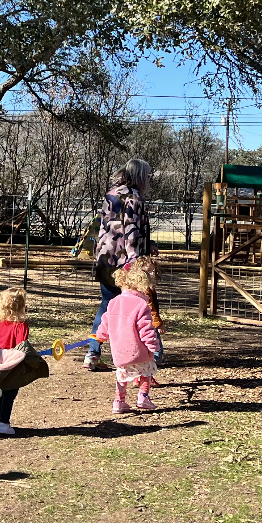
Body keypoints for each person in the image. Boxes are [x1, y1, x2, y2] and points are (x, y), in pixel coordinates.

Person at [85, 158, 157, 370]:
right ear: (140, 176)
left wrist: (149, 242)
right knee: (140, 305)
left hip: (106, 259)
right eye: (148, 175)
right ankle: (144, 353)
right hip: (127, 262)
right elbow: (132, 230)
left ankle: (92, 353)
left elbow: (107, 226)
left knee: (107, 305)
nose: (149, 179)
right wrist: (136, 262)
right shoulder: (134, 197)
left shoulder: (112, 193)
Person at [96, 263, 163, 412]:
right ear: (142, 286)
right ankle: (143, 397)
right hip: (139, 352)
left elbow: (105, 322)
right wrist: (154, 346)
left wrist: (100, 336)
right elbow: (146, 329)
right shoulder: (141, 304)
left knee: (122, 376)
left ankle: (119, 402)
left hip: (119, 352)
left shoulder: (113, 302)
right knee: (146, 372)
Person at [0, 286, 31, 435]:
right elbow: (22, 346)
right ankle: (4, 424)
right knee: (10, 393)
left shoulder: (0, 325)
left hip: (1, 362)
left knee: (3, 389)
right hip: (13, 364)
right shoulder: (21, 326)